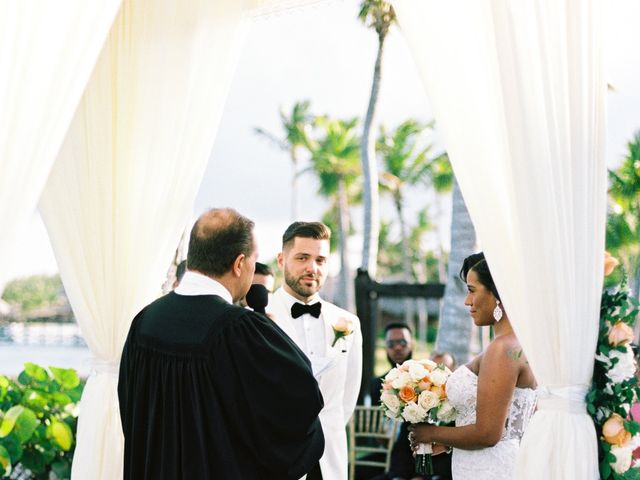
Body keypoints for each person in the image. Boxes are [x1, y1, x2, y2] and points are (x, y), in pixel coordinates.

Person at [118, 208, 325, 480]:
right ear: (240, 264)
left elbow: (132, 411)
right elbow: (298, 408)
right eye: (254, 260)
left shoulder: (144, 322)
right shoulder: (239, 331)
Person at [409, 252, 537, 480]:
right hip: (490, 463)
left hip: (491, 469)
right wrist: (446, 442)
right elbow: (509, 423)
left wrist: (430, 432)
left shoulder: (502, 349)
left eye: (471, 290)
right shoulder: (517, 343)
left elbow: (488, 434)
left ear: (497, 293)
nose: (467, 301)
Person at [268, 221, 363, 480]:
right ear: (281, 260)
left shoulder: (348, 323)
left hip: (329, 460)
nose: (312, 268)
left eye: (320, 259)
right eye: (302, 258)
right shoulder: (257, 319)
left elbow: (347, 397)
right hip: (275, 459)